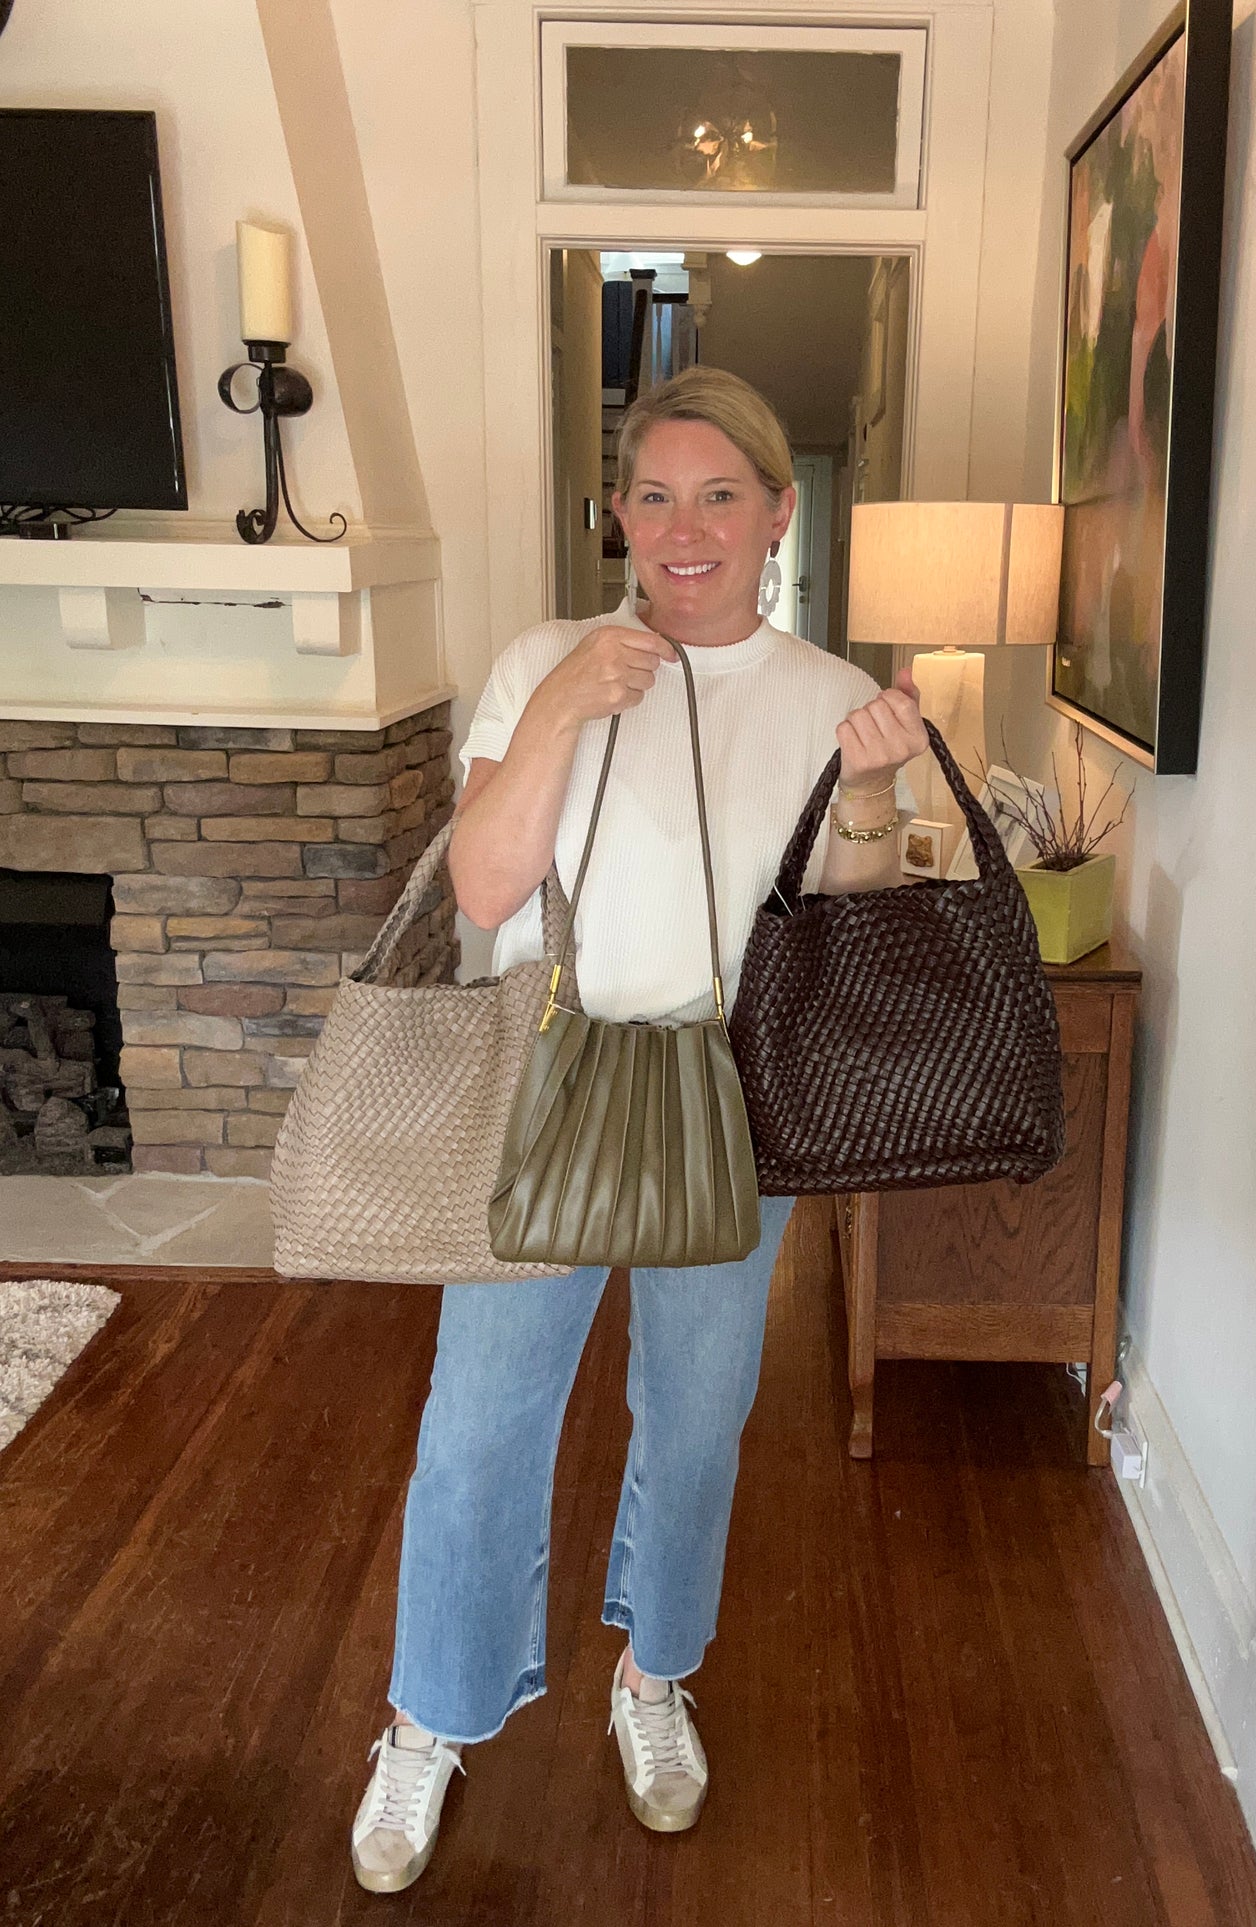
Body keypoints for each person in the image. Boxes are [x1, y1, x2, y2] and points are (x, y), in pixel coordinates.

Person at [350, 366, 927, 1893]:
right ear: (617, 514)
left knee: (695, 1417)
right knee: (480, 1423)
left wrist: (872, 784)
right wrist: (559, 707)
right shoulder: (543, 658)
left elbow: (852, 921)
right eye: (654, 496)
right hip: (540, 1085)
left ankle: (653, 1676)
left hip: (729, 1102)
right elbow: (485, 889)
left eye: (719, 495)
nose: (685, 529)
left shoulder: (823, 694)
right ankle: (428, 1716)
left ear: (777, 512)